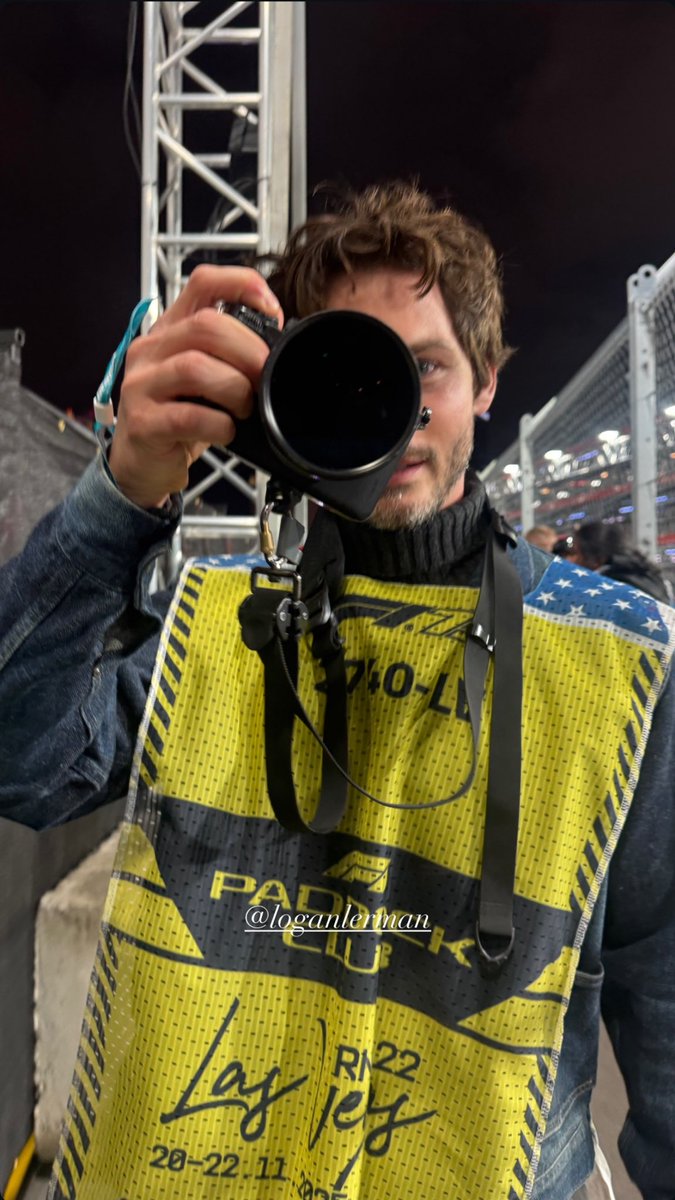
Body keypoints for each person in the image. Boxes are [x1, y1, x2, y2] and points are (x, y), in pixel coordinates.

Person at [1, 183, 674, 1200]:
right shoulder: (219, 626)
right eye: (354, 367)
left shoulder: (612, 657)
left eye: (426, 369)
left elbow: (665, 1003)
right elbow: (21, 762)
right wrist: (119, 495)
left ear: (488, 381)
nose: (392, 409)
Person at [574, 520, 672, 604]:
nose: (573, 560)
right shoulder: (649, 574)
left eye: (576, 553)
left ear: (596, 559)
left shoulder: (604, 586)